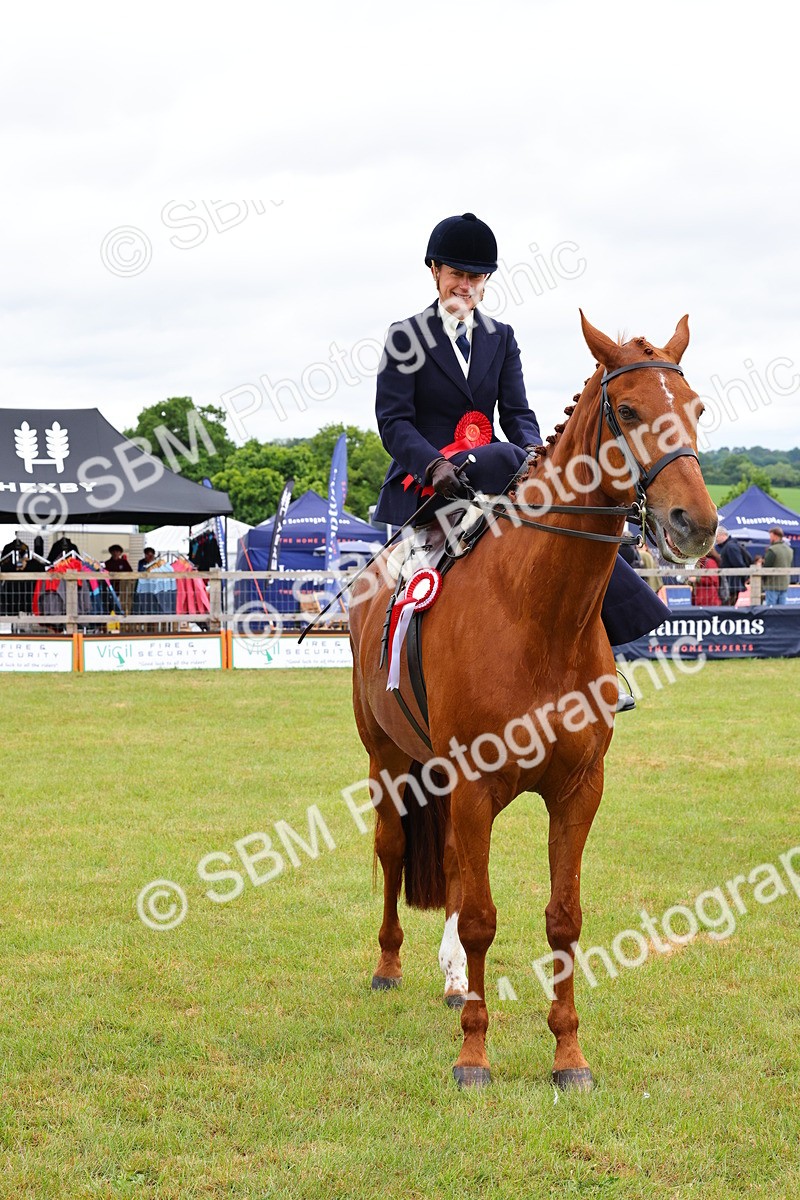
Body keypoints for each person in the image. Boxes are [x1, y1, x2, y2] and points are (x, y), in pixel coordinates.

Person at [373, 212, 672, 710]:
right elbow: (394, 423)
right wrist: (433, 467)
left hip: (494, 472)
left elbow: (516, 412)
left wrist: (538, 455)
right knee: (505, 465)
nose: (465, 286)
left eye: (475, 278)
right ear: (434, 272)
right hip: (430, 482)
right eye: (456, 276)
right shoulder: (406, 337)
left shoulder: (501, 337)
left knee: (561, 545)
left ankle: (603, 666)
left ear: (486, 281)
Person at [715, 526, 750, 604]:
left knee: (729, 606)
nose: (715, 539)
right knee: (729, 606)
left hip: (731, 583)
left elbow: (739, 564)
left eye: (716, 536)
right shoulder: (730, 545)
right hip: (731, 583)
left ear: (723, 535)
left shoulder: (730, 547)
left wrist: (746, 576)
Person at [762, 526, 794, 605]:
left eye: (771, 536)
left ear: (775, 536)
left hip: (772, 584)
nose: (770, 539)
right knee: (782, 611)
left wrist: (763, 579)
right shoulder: (789, 550)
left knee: (771, 610)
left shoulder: (772, 550)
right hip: (784, 584)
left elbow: (766, 567)